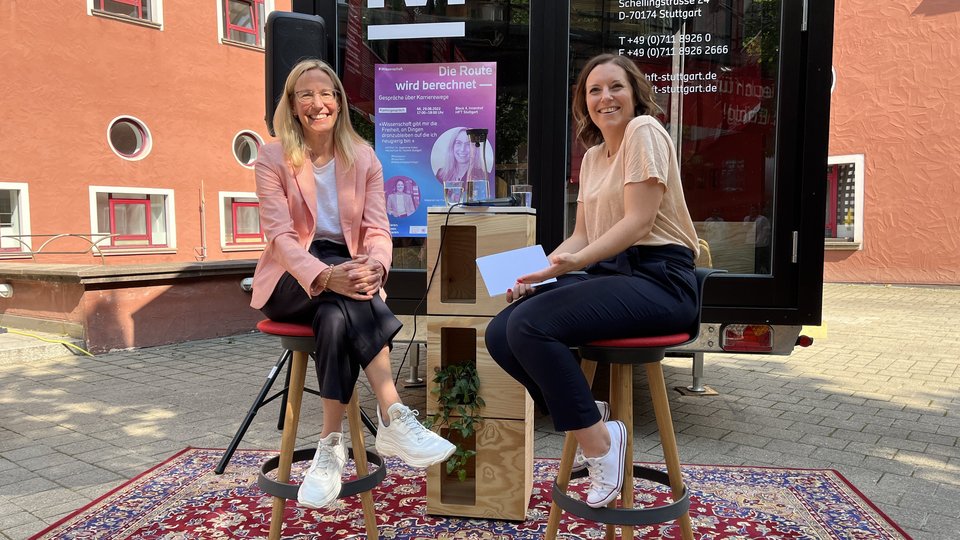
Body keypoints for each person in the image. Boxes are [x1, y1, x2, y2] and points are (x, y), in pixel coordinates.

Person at [484, 54, 701, 509]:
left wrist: (570, 265)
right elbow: (582, 235)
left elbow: (639, 223)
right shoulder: (593, 157)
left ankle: (600, 445)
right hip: (613, 274)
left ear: (635, 93)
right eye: (594, 90)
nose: (606, 98)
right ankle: (591, 417)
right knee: (501, 332)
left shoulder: (644, 131)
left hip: (660, 279)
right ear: (584, 102)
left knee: (530, 325)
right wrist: (536, 271)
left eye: (616, 87)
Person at [251, 58, 455, 510]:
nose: (317, 103)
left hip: (348, 266)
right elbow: (280, 237)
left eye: (326, 93)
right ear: (292, 104)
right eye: (306, 94)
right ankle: (392, 413)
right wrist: (325, 276)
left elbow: (378, 229)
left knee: (334, 316)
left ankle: (330, 448)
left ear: (340, 102)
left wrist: (376, 267)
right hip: (291, 274)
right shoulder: (272, 156)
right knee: (341, 296)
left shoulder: (363, 156)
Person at [435, 127, 488, 197]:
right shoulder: (441, 174)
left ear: (475, 148)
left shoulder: (483, 176)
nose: (462, 149)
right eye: (458, 143)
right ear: (452, 146)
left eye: (468, 144)